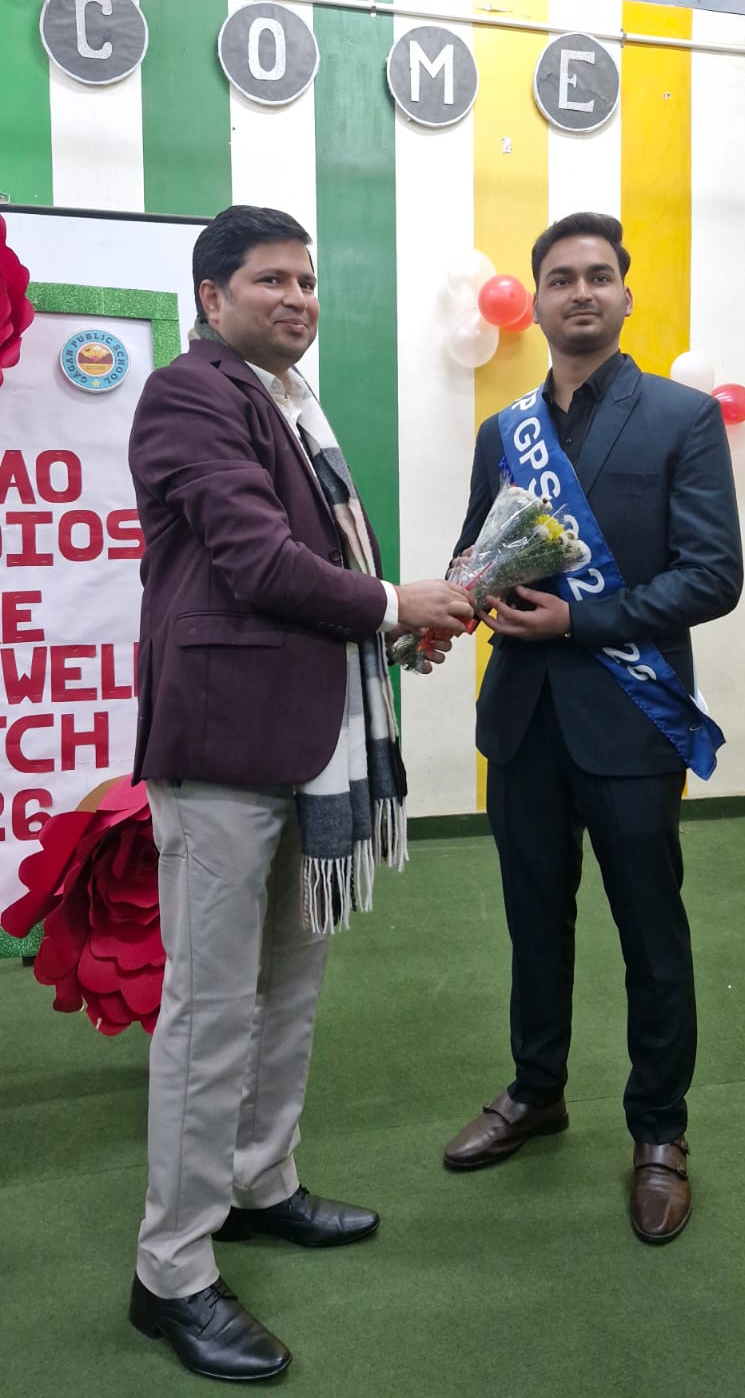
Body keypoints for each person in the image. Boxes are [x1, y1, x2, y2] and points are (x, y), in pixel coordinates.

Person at [127, 204, 472, 1382]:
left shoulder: (290, 405)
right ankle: (170, 1271)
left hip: (308, 739)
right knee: (210, 1012)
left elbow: (319, 573)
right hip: (224, 749)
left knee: (288, 989)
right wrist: (391, 603)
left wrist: (391, 626)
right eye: (271, 279)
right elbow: (257, 560)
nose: (298, 298)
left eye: (308, 280)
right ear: (211, 297)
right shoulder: (190, 394)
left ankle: (258, 1183)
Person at [442, 212, 742, 1244]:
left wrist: (582, 620)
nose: (580, 291)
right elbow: (475, 556)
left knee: (651, 933)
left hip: (631, 718)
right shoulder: (503, 432)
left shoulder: (682, 419)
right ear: (536, 300)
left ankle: (660, 1130)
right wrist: (456, 602)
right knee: (534, 921)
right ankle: (537, 1089)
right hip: (523, 720)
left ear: (625, 295)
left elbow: (713, 575)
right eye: (562, 277)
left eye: (598, 276)